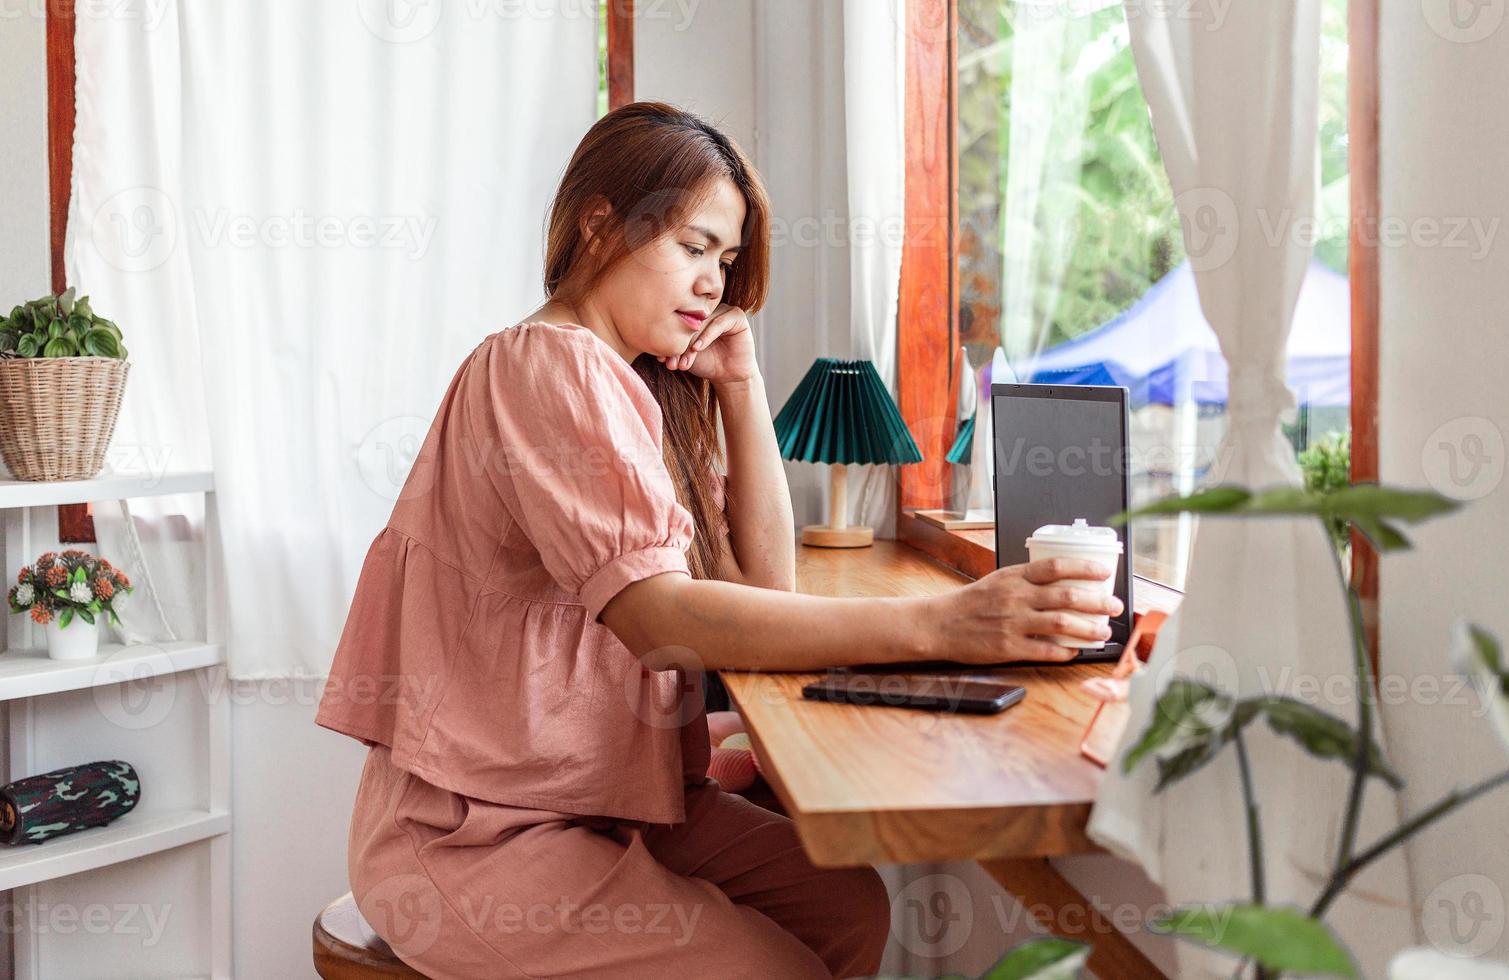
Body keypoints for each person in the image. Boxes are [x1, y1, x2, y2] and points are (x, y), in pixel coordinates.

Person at [314, 102, 1122, 980]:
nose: (713, 283)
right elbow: (658, 616)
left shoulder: (629, 386)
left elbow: (766, 591)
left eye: (726, 261)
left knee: (847, 911)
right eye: (694, 248)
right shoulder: (545, 364)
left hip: (597, 806)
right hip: (477, 838)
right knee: (781, 969)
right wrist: (944, 622)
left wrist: (742, 386)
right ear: (600, 225)